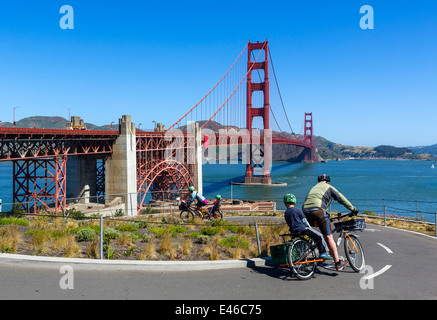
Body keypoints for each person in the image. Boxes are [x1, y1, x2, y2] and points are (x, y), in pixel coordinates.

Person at [302, 174, 359, 271]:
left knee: (313, 233)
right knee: (328, 236)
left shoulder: (313, 188)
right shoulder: (329, 187)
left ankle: (314, 253)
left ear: (318, 181)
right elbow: (341, 199)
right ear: (328, 182)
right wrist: (353, 209)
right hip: (319, 211)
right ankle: (338, 263)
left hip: (304, 211)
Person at [283, 193, 332, 260]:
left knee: (307, 239)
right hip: (302, 229)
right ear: (294, 202)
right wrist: (310, 228)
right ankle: (323, 253)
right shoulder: (297, 210)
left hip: (293, 230)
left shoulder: (286, 213)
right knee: (319, 236)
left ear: (285, 203)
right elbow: (304, 221)